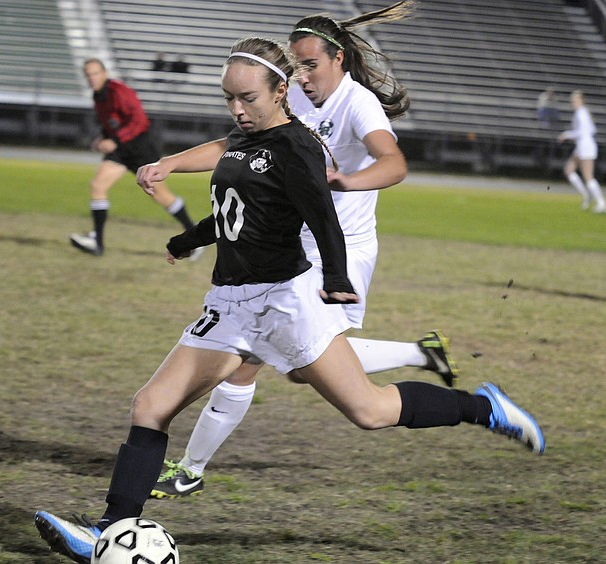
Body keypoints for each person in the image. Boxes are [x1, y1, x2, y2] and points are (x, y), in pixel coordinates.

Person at [33, 35, 545, 564]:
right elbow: (239, 214)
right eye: (228, 98)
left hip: (284, 303)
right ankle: (111, 530)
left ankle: (485, 408)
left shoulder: (296, 147)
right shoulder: (242, 141)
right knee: (150, 406)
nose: (237, 108)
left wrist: (338, 278)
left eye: (247, 98)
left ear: (280, 91)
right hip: (230, 303)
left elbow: (323, 215)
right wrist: (186, 241)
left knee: (369, 411)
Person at [149, 7, 463, 499]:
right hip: (293, 241)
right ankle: (420, 354)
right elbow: (237, 145)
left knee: (264, 357)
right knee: (286, 363)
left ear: (338, 58)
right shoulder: (289, 94)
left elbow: (394, 163)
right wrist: (171, 163)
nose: (302, 76)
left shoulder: (358, 104)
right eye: (296, 66)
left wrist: (346, 181)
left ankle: (189, 468)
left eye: (311, 64)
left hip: (343, 248)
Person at [69, 58, 200, 258]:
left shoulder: (119, 91)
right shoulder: (98, 96)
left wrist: (115, 140)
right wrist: (102, 139)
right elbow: (110, 124)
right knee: (98, 186)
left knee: (163, 197)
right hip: (122, 150)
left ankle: (196, 240)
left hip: (140, 148)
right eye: (88, 74)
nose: (92, 78)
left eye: (95, 73)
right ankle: (97, 242)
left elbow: (139, 120)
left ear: (104, 73)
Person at [558, 90, 606, 213]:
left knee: (588, 177)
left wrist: (566, 135)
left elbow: (582, 132)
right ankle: (587, 194)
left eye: (574, 100)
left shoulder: (582, 114)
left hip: (586, 147)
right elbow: (592, 130)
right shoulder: (582, 113)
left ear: (581, 100)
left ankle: (601, 203)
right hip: (581, 146)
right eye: (572, 101)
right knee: (569, 170)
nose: (572, 103)